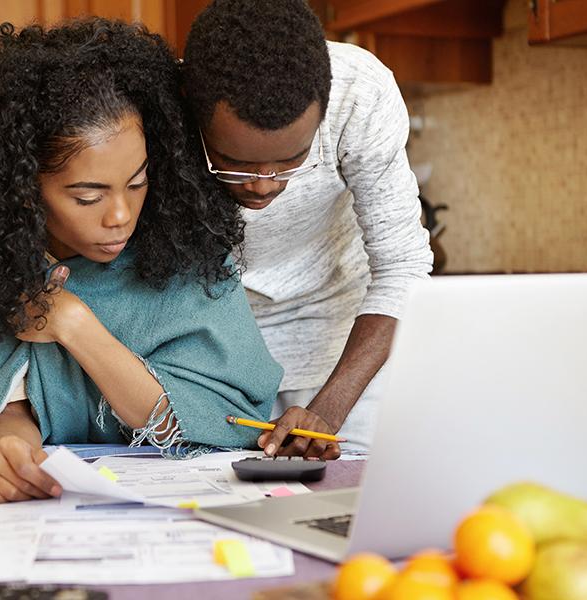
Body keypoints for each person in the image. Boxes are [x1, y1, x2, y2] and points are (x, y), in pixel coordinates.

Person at [0, 20, 283, 503]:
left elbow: (226, 417)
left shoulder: (192, 255)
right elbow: (8, 401)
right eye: (87, 196)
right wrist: (10, 453)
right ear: (21, 190)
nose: (120, 216)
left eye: (137, 183)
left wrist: (74, 323)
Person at [181, 0, 433, 458]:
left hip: (340, 342)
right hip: (208, 349)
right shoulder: (165, 107)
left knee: (349, 503)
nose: (262, 185)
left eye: (291, 160)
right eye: (235, 163)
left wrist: (328, 412)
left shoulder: (359, 95)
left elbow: (403, 268)